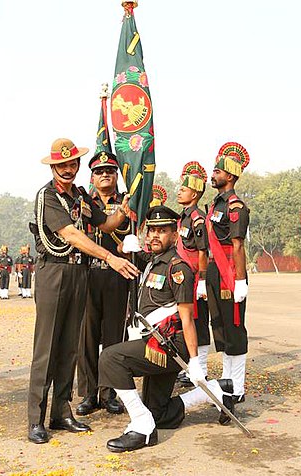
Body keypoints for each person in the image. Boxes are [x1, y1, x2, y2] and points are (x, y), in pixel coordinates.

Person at [27, 138, 139, 445]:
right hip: (54, 272)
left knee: (69, 347)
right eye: (61, 165)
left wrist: (126, 208)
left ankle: (60, 412)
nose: (67, 169)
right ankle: (35, 418)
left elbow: (104, 224)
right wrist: (110, 258)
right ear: (53, 167)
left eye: (72, 164)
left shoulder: (80, 196)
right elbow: (71, 233)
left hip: (79, 273)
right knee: (47, 348)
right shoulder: (47, 196)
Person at [98, 205, 234, 453]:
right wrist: (122, 246)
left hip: (170, 345)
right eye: (151, 231)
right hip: (156, 340)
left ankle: (142, 427)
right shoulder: (153, 262)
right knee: (160, 414)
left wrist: (194, 361)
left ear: (175, 234)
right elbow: (128, 253)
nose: (154, 236)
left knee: (110, 358)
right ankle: (217, 391)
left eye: (162, 231)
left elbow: (187, 318)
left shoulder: (177, 268)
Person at [76, 151, 130, 417]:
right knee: (86, 336)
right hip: (89, 274)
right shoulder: (84, 201)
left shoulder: (128, 202)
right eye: (99, 171)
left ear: (117, 175)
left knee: (113, 337)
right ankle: (88, 394)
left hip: (117, 277)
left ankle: (109, 392)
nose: (105, 174)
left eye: (110, 170)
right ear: (92, 177)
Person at [205, 142, 250, 407]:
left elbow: (238, 245)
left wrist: (241, 280)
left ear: (229, 176)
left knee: (234, 328)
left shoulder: (235, 206)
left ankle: (239, 386)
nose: (213, 174)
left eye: (217, 171)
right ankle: (226, 382)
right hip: (213, 269)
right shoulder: (215, 204)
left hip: (230, 271)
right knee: (219, 327)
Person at [176, 162, 211, 386]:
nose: (179, 190)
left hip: (195, 277)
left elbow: (202, 251)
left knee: (198, 321)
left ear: (195, 193)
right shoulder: (185, 216)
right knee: (186, 321)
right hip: (184, 275)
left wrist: (202, 281)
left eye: (184, 188)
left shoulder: (197, 218)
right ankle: (191, 365)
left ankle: (202, 367)